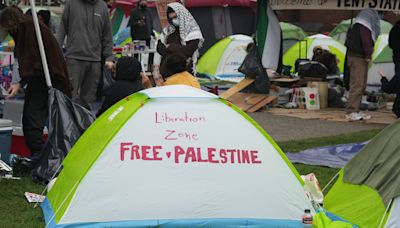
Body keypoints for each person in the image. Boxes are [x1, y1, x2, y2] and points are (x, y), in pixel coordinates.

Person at [0, 6, 71, 166]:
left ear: (10, 23)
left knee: (33, 118)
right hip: (45, 77)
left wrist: (18, 83)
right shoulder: (28, 27)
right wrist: (18, 82)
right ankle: (41, 155)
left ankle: (40, 157)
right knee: (37, 118)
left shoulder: (29, 29)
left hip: (46, 78)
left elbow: (28, 58)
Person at [57, 0, 114, 110]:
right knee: (69, 97)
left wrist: (109, 57)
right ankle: (67, 125)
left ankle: (85, 125)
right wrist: (57, 52)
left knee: (88, 100)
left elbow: (107, 35)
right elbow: (62, 28)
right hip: (74, 58)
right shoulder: (71, 3)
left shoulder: (102, 6)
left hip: (95, 60)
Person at [344, 9, 380, 121]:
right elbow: (366, 40)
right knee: (358, 85)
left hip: (356, 56)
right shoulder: (364, 26)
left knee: (360, 85)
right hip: (358, 57)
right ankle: (351, 111)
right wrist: (368, 54)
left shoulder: (358, 24)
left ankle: (356, 110)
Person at [156, 2, 203, 78]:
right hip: (167, 73)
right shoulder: (168, 31)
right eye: (171, 18)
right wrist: (175, 51)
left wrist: (170, 47)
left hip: (185, 72)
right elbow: (160, 47)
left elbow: (188, 50)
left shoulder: (192, 31)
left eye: (175, 17)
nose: (174, 20)